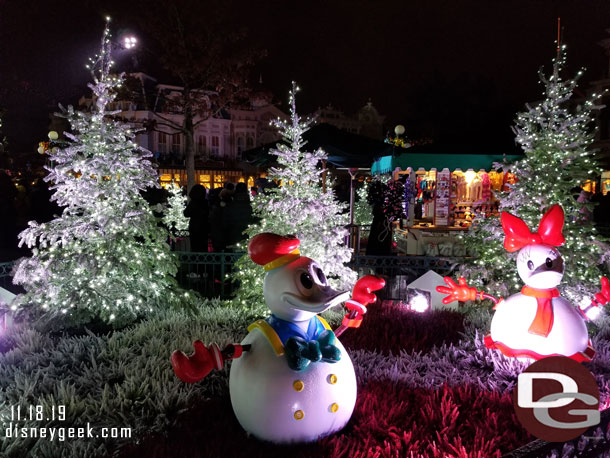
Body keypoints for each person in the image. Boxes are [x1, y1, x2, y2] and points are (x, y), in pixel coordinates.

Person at [223, 182, 253, 249]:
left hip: (234, 237)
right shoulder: (252, 205)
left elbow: (225, 223)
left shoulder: (230, 205)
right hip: (248, 237)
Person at [184, 185, 209, 252]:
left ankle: (196, 260)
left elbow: (186, 213)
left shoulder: (193, 202)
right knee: (203, 246)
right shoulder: (205, 202)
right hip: (204, 227)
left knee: (195, 246)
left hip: (194, 226)